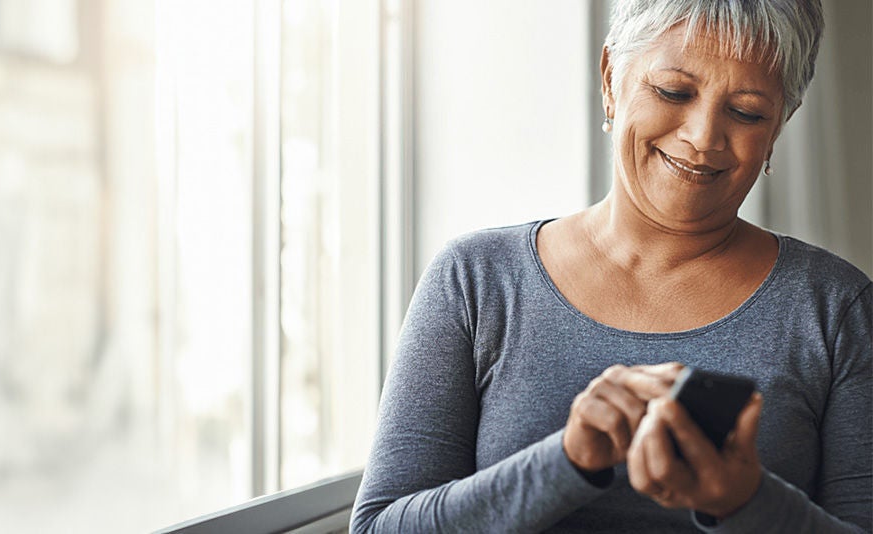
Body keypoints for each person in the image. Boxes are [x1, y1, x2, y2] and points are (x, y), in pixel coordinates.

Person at [350, 0, 871, 532]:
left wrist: (748, 502)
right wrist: (566, 462)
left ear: (779, 125)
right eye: (674, 91)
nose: (703, 136)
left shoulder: (835, 307)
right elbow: (377, 526)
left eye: (747, 112)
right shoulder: (476, 281)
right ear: (609, 80)